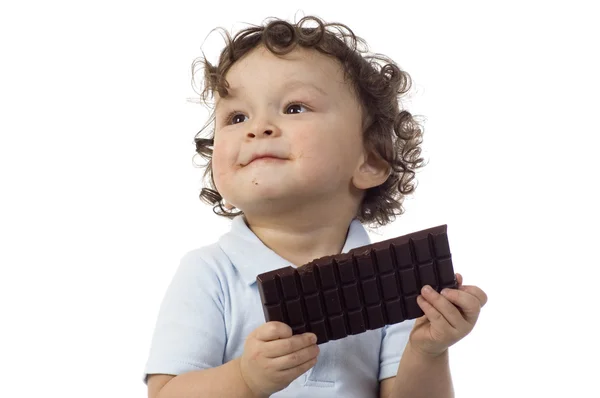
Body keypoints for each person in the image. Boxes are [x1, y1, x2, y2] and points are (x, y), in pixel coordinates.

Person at [142, 15, 487, 398]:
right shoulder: (210, 273)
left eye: (293, 108)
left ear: (370, 160)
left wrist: (429, 350)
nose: (257, 128)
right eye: (237, 117)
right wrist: (245, 378)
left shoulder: (396, 281)